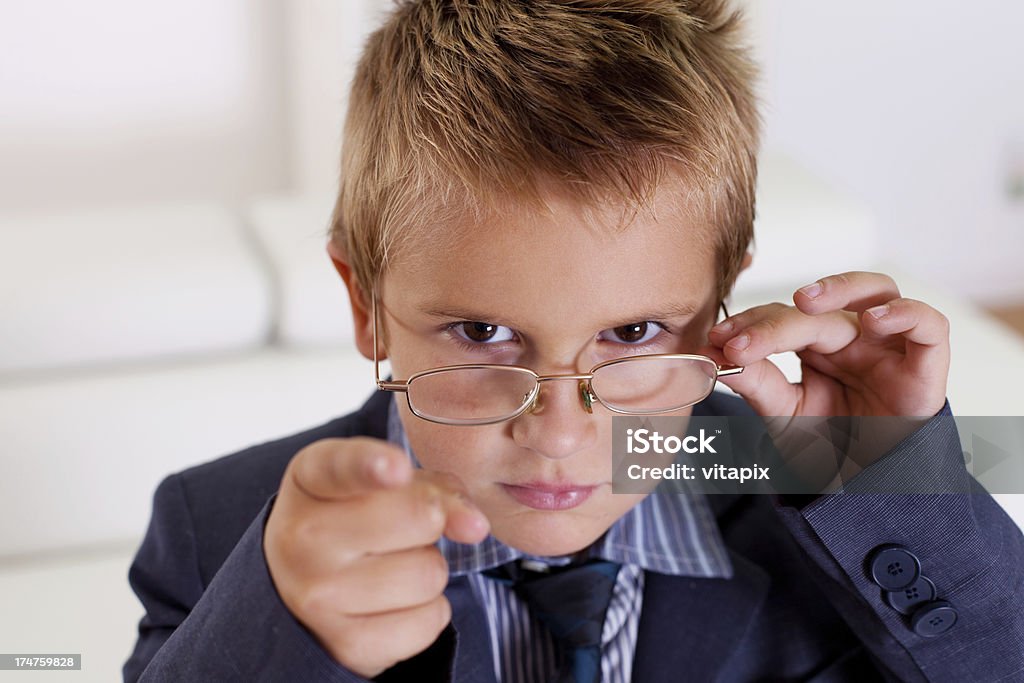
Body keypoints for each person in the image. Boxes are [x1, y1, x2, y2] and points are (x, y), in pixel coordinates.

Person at [123, 1, 1024, 681]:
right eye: (482, 333)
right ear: (365, 306)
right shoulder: (219, 532)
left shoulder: (837, 513)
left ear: (718, 311)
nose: (559, 434)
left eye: (632, 332)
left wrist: (893, 480)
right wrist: (288, 628)